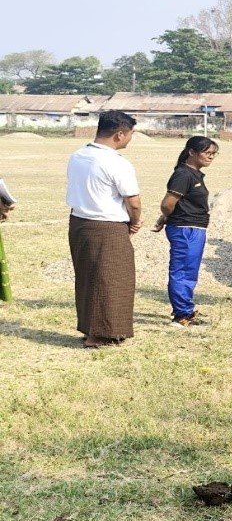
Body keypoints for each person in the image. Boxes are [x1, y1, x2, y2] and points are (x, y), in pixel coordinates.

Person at [66, 110, 142, 348]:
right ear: (119, 134)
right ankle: (100, 334)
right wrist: (135, 221)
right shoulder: (116, 163)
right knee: (112, 280)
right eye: (130, 134)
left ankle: (92, 327)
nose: (130, 139)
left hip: (79, 223)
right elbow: (133, 201)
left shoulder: (78, 156)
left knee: (88, 278)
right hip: (107, 227)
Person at [151, 136, 218, 327]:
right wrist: (166, 217)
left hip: (193, 228)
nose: (211, 157)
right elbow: (167, 204)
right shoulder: (183, 175)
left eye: (214, 154)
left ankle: (186, 310)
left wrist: (165, 218)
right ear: (192, 152)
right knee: (183, 271)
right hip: (185, 229)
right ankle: (182, 315)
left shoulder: (194, 174)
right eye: (207, 153)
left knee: (189, 271)